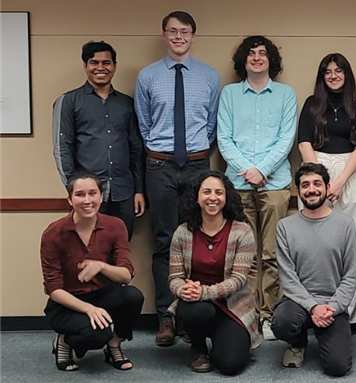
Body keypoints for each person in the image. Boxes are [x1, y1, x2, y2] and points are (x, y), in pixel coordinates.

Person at [134, 10, 221, 345]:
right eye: (172, 31)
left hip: (198, 166)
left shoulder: (210, 77)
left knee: (196, 242)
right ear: (164, 35)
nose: (178, 36)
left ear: (193, 36)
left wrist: (197, 153)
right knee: (164, 243)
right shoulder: (147, 76)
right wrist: (162, 152)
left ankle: (190, 314)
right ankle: (166, 318)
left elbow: (211, 125)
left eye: (184, 31)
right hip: (160, 167)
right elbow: (144, 125)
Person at [217, 35, 297, 340]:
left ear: (271, 60)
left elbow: (286, 138)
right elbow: (224, 138)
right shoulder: (230, 94)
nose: (257, 57)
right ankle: (246, 315)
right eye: (251, 53)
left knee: (272, 254)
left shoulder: (286, 94)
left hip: (275, 183)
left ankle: (269, 316)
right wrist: (248, 171)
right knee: (244, 255)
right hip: (238, 184)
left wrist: (262, 170)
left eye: (263, 53)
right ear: (243, 60)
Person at [40, 172, 144, 372]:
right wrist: (88, 309)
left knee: (133, 297)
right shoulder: (53, 234)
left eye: (92, 193)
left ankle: (114, 345)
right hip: (66, 304)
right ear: (70, 200)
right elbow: (53, 289)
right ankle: (64, 341)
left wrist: (102, 266)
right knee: (97, 335)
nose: (87, 200)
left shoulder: (115, 226)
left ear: (101, 197)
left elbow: (126, 275)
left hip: (102, 296)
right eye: (80, 194)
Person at [297, 52, 356, 326]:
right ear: (322, 77)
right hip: (315, 171)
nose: (333, 76)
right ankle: (312, 310)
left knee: (349, 246)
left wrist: (338, 182)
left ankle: (348, 315)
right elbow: (304, 142)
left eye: (338, 71)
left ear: (346, 75)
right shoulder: (312, 105)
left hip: (349, 173)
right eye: (327, 71)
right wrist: (321, 180)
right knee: (313, 245)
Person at [167, 171, 259, 375]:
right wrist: (183, 290)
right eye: (206, 192)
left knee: (230, 365)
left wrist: (205, 292)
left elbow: (239, 279)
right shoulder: (183, 232)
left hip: (232, 305)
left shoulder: (242, 231)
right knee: (198, 311)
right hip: (196, 305)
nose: (213, 198)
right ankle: (198, 347)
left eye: (219, 192)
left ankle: (222, 340)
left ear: (226, 198)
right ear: (197, 197)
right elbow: (175, 277)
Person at [271, 163, 356, 377]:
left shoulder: (345, 224)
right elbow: (287, 278)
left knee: (338, 368)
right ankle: (297, 342)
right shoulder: (285, 226)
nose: (311, 189)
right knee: (282, 323)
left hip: (332, 305)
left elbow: (351, 275)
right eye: (305, 185)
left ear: (328, 188)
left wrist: (332, 307)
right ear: (298, 191)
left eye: (317, 183)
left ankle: (325, 331)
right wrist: (312, 307)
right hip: (298, 302)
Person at [52, 41, 145, 240]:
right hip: (89, 195)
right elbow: (62, 149)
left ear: (114, 66)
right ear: (85, 65)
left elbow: (136, 149)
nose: (101, 68)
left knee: (121, 250)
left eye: (106, 62)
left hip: (124, 193)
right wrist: (74, 189)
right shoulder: (68, 101)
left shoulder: (126, 103)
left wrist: (139, 191)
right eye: (94, 62)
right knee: (87, 251)